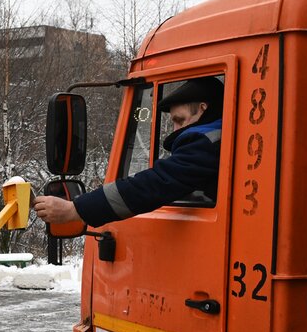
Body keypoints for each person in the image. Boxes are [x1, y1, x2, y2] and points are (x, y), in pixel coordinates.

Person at [34, 77, 224, 228]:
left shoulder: (206, 141)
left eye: (180, 120)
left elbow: (156, 183)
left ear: (202, 109)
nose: (175, 130)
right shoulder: (219, 139)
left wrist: (75, 209)